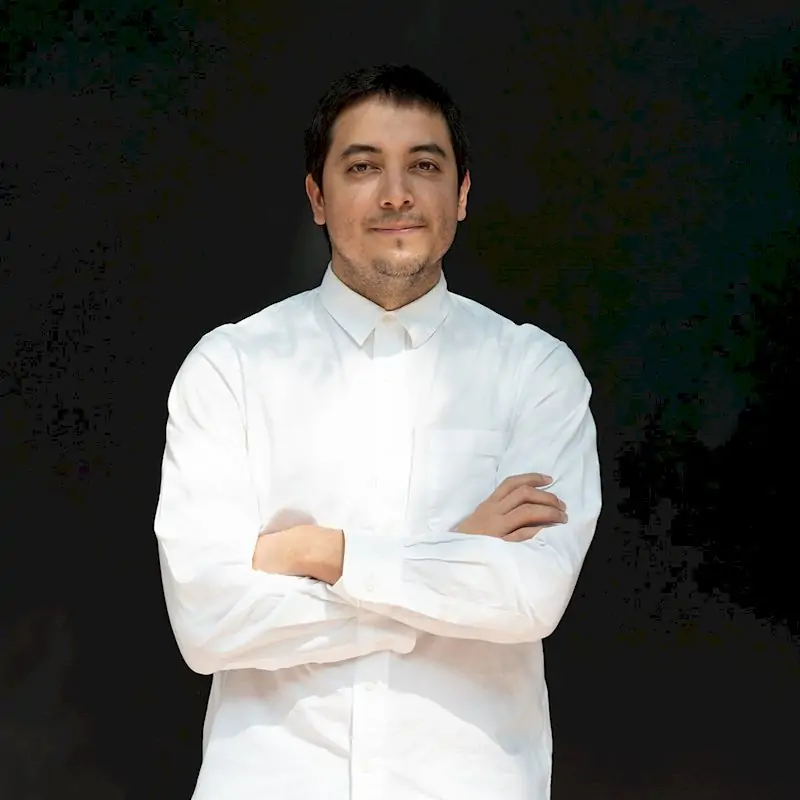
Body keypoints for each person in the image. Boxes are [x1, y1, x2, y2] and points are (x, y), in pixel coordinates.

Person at [154, 63, 602, 800]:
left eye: (424, 165)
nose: (396, 194)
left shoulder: (534, 372)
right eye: (363, 167)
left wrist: (321, 553)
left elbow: (530, 599)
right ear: (317, 197)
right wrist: (454, 551)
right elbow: (209, 623)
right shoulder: (231, 367)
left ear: (462, 193)